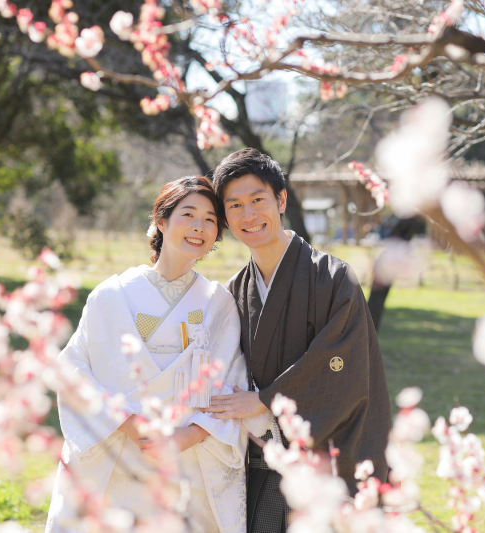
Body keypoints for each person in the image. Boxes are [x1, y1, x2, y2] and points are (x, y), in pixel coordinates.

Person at [47, 176, 269, 533]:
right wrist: (133, 426)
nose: (200, 227)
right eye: (189, 214)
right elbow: (72, 369)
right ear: (161, 222)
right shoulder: (112, 296)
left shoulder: (219, 304)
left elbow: (232, 384)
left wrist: (184, 437)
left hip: (188, 460)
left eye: (211, 219)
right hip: (117, 447)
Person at [203, 148, 392, 533]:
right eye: (235, 205)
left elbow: (344, 368)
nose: (249, 215)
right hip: (261, 462)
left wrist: (264, 399)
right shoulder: (234, 291)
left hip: (326, 457)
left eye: (258, 200)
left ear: (281, 200)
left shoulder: (334, 279)